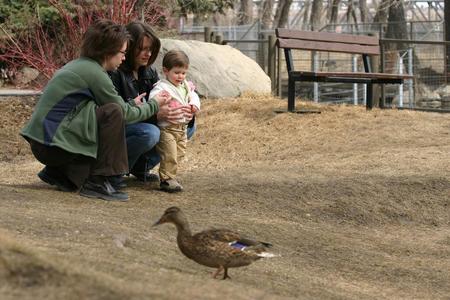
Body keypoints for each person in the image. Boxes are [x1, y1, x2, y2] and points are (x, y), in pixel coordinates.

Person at [20, 19, 168, 201]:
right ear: (107, 51)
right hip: (52, 145)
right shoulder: (95, 73)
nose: (123, 57)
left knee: (111, 111)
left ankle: (60, 172)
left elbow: (99, 110)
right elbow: (124, 114)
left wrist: (130, 105)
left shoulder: (81, 65)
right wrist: (154, 104)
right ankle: (100, 181)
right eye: (122, 52)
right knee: (114, 113)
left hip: (46, 142)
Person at [109, 21, 198, 185]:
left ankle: (140, 167)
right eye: (142, 49)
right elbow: (116, 114)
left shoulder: (149, 71)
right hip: (122, 128)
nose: (147, 54)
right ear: (129, 47)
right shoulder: (115, 72)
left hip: (145, 122)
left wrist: (186, 111)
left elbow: (163, 99)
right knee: (149, 133)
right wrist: (155, 113)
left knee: (189, 127)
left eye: (150, 49)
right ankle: (114, 171)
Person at [149, 50, 200, 192]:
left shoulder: (185, 86)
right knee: (170, 153)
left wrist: (194, 106)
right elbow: (153, 99)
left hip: (182, 128)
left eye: (183, 73)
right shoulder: (162, 87)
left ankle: (171, 175)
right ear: (166, 71)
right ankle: (166, 179)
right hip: (167, 128)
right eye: (177, 72)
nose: (180, 76)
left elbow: (194, 96)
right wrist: (160, 103)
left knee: (180, 152)